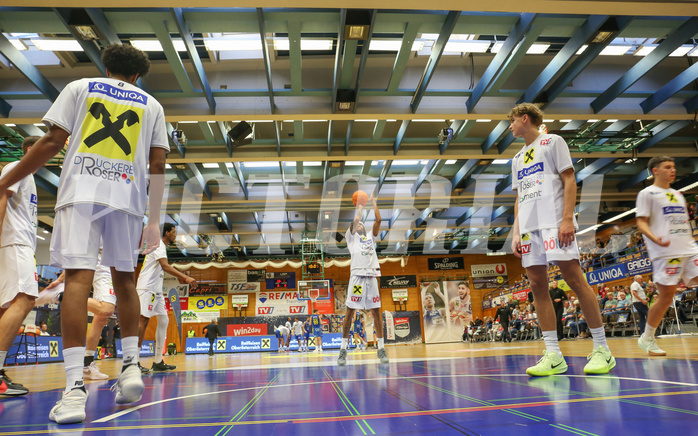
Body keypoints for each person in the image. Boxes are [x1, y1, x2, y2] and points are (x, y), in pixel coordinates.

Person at [0, 44, 168, 423]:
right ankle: (130, 366)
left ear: (106, 68)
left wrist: (5, 180)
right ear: (137, 76)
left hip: (80, 193)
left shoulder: (80, 87)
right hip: (127, 199)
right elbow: (157, 165)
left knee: (78, 281)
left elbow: (51, 142)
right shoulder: (152, 105)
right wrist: (154, 220)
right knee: (125, 281)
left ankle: (75, 390)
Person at [509, 102, 615, 376]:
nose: (510, 127)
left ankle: (602, 349)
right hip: (529, 229)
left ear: (525, 118)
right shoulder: (517, 159)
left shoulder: (553, 142)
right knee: (537, 286)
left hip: (554, 223)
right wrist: (516, 231)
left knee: (575, 280)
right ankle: (553, 354)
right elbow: (519, 198)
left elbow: (569, 180)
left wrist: (568, 219)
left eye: (512, 121)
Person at [635, 156, 698, 356]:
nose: (673, 170)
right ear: (655, 170)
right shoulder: (647, 193)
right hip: (665, 252)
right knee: (666, 297)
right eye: (668, 167)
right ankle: (647, 338)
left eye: (674, 167)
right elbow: (641, 222)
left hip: (689, 248)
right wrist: (655, 238)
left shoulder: (678, 194)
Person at [0, 136, 40, 396]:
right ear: (31, 150)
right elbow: (1, 194)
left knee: (5, 307)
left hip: (19, 244)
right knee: (25, 299)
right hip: (15, 242)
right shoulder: (17, 166)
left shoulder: (29, 176)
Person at [137, 222, 197, 373]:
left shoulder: (161, 246)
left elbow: (162, 268)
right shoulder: (157, 244)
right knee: (143, 321)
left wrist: (181, 277)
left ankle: (158, 361)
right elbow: (165, 266)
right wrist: (185, 277)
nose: (175, 234)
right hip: (147, 288)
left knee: (164, 320)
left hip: (156, 290)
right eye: (173, 231)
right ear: (167, 233)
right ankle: (133, 362)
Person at [37, 266, 115, 380]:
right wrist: (60, 280)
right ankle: (61, 295)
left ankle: (87, 364)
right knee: (107, 309)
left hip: (108, 265)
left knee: (101, 318)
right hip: (104, 264)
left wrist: (59, 279)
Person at [337, 192, 388, 366]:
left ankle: (381, 349)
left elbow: (379, 220)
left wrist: (373, 202)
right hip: (357, 277)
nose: (359, 226)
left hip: (371, 276)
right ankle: (343, 350)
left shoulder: (370, 238)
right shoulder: (351, 239)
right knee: (350, 312)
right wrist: (360, 204)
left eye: (361, 226)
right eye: (357, 225)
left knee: (376, 313)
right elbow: (356, 220)